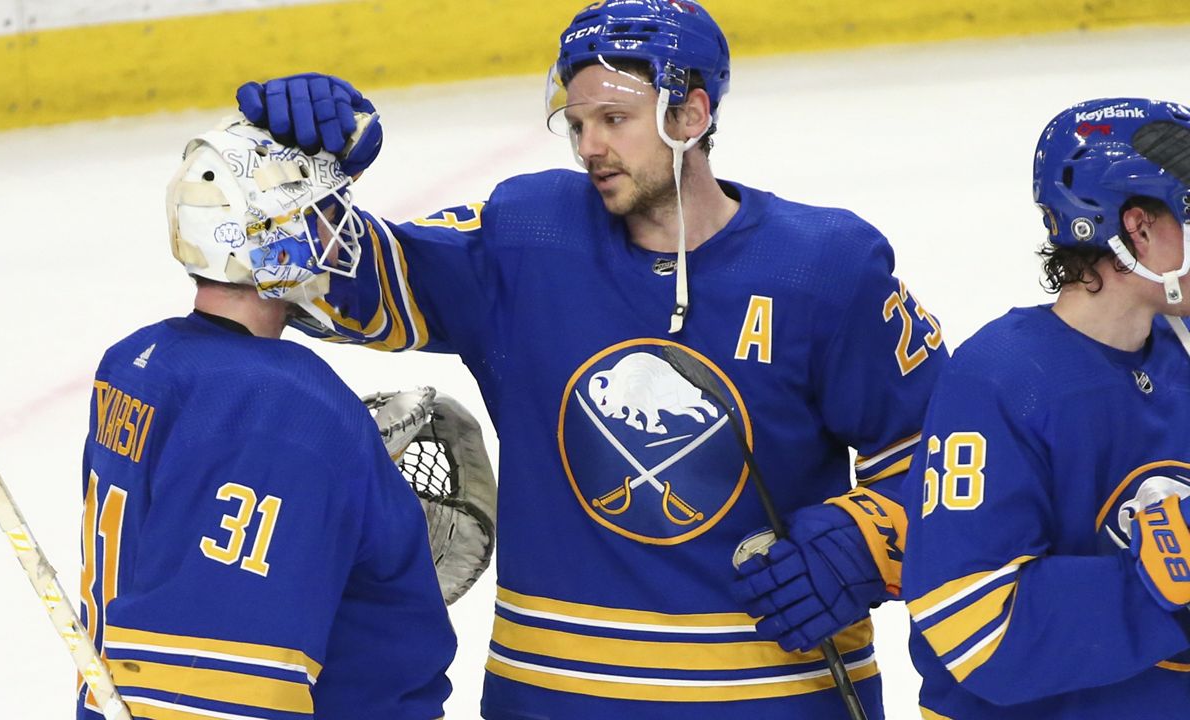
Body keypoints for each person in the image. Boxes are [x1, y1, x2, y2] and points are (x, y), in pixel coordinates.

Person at [236, 1, 947, 717]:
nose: (590, 148)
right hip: (551, 697)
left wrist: (868, 540)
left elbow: (949, 459)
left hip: (768, 699)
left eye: (614, 119)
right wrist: (293, 165)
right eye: (577, 124)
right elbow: (333, 282)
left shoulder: (822, 268)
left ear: (691, 115)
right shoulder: (527, 238)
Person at [77, 116, 455, 720]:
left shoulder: (136, 361)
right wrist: (313, 457)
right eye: (323, 214)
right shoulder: (284, 410)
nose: (340, 232)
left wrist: (346, 510)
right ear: (268, 237)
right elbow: (220, 685)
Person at [901, 97, 1190, 719]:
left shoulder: (1180, 348)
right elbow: (970, 625)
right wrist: (1162, 578)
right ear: (1136, 230)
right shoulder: (1000, 379)